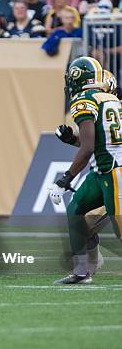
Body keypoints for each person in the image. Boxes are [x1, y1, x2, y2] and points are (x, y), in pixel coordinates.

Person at [48, 57, 120, 284]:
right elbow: (96, 141)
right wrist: (72, 139)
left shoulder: (84, 99)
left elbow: (89, 147)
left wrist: (65, 179)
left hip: (114, 171)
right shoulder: (111, 98)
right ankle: (81, 272)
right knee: (76, 211)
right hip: (102, 170)